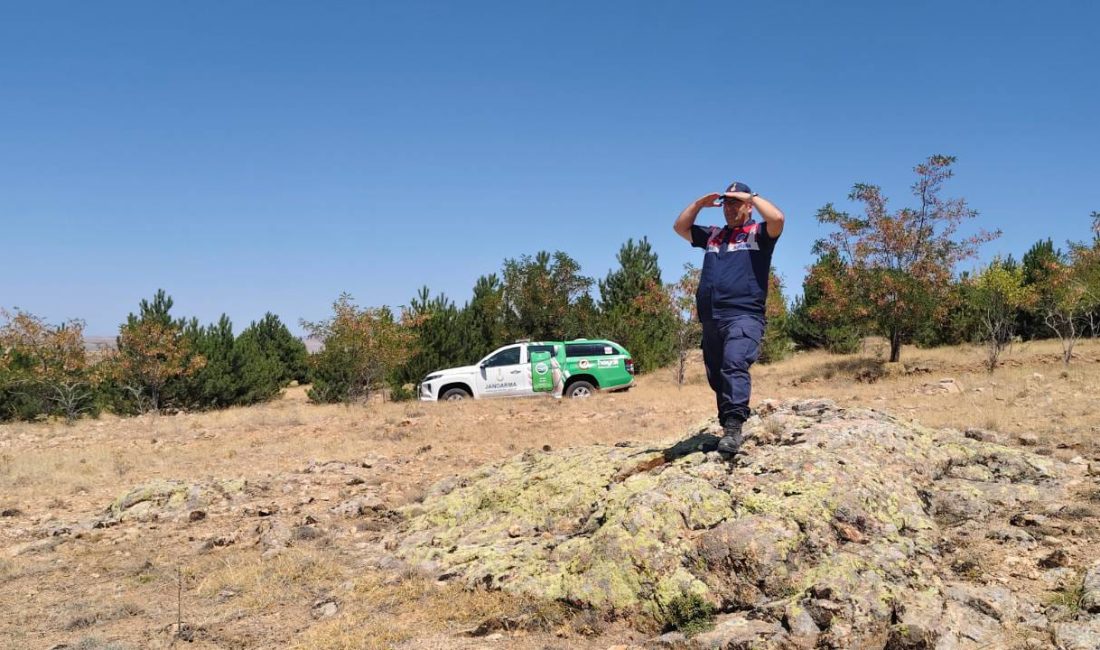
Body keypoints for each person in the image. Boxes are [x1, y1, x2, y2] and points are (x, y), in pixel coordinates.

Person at [673, 181, 785, 456]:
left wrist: (751, 196)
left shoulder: (759, 234)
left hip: (744, 315)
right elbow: (680, 228)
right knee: (718, 374)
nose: (730, 208)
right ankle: (727, 426)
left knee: (735, 363)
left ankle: (735, 428)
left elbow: (778, 218)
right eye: (727, 203)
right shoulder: (713, 236)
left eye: (736, 202)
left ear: (748, 206)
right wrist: (699, 204)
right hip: (711, 318)